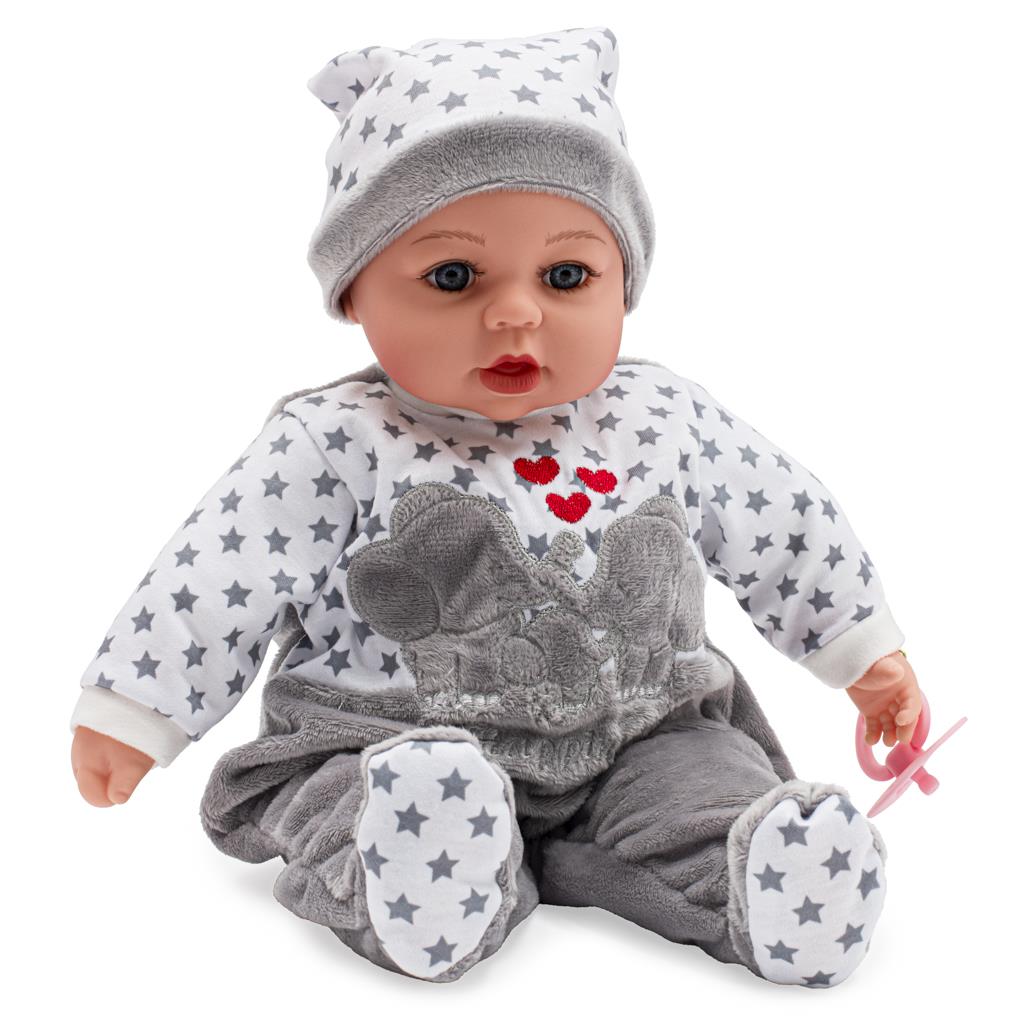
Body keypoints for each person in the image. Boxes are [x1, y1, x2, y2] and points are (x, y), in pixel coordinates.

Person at [70, 25, 922, 987]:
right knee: (348, 798)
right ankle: (421, 867)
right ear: (354, 293)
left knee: (704, 781)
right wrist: (134, 709)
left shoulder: (663, 417)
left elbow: (785, 523)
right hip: (385, 736)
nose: (516, 312)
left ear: (623, 282)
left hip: (635, 733)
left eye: (566, 276)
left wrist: (863, 651)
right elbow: (220, 571)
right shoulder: (334, 442)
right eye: (453, 276)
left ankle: (770, 881)